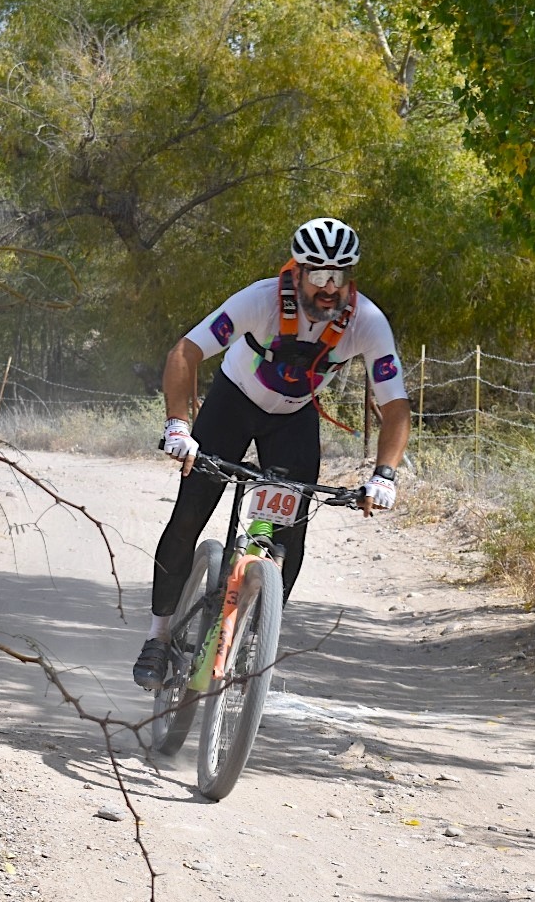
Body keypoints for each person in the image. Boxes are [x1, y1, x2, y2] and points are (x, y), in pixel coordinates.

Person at [132, 217, 411, 690]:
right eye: (318, 275)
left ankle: (255, 641)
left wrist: (384, 473)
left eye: (339, 276)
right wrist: (178, 425)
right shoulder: (260, 300)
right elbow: (186, 352)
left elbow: (396, 404)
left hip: (294, 420)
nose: (329, 288)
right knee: (189, 516)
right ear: (297, 272)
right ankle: (158, 637)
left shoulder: (367, 322)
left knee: (291, 537)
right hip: (232, 404)